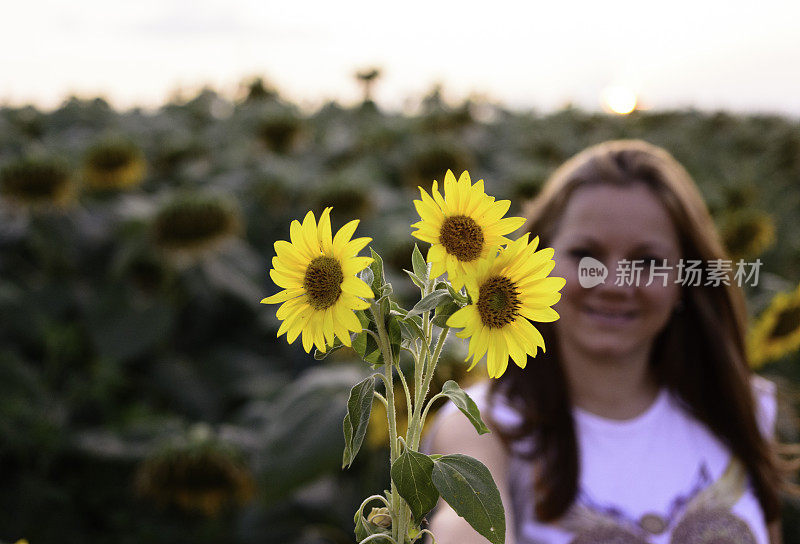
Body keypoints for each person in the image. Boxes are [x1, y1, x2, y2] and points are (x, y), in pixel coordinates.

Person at [427, 140, 784, 544]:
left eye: (648, 261)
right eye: (585, 255)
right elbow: (464, 524)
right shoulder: (483, 424)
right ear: (536, 260)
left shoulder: (742, 410)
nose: (614, 282)